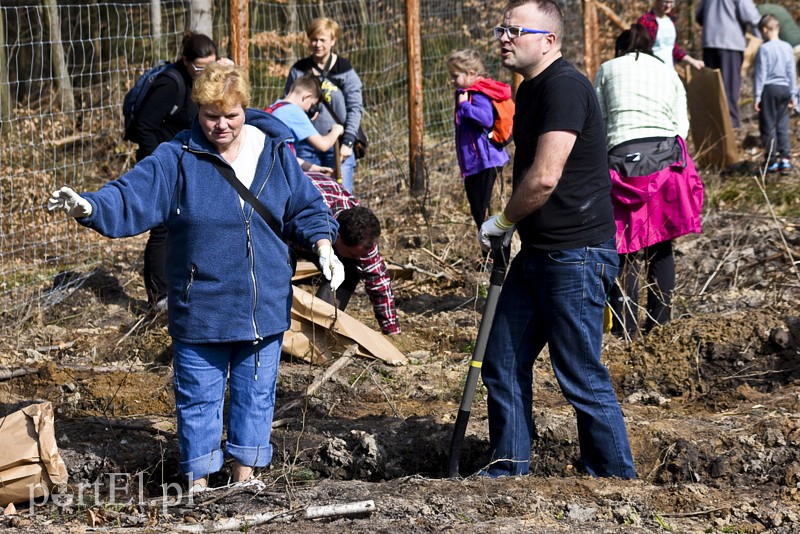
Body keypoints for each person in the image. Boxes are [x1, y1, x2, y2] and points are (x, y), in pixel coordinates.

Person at [47, 63, 345, 491]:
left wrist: (322, 243)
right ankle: (199, 485)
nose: (220, 125)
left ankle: (245, 478)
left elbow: (305, 207)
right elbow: (132, 193)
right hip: (201, 303)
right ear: (196, 111)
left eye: (231, 115)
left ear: (246, 108)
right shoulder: (177, 156)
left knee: (256, 393)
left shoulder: (275, 151)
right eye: (210, 116)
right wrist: (91, 207)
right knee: (198, 396)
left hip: (262, 302)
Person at [477, 0, 636, 479]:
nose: (504, 38)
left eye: (514, 30)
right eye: (502, 29)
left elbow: (545, 176)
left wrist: (502, 222)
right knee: (502, 360)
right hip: (542, 253)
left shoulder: (564, 88)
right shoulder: (529, 90)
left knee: (580, 374)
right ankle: (509, 471)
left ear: (548, 40)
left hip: (577, 256)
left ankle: (615, 482)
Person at [595, 24, 704, 337]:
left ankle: (625, 328)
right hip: (665, 157)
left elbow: (600, 122)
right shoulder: (666, 70)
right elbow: (681, 123)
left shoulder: (606, 69)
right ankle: (659, 326)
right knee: (661, 244)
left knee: (625, 246)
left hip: (620, 158)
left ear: (619, 49)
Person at [132, 32, 221, 310]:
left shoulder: (202, 84)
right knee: (162, 227)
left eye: (211, 65)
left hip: (189, 163)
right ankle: (159, 297)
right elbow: (143, 126)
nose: (206, 72)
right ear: (185, 60)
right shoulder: (170, 84)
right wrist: (163, 159)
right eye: (199, 67)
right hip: (165, 164)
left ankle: (185, 285)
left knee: (186, 223)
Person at [296, 172, 400, 336]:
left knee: (350, 269)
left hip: (325, 231)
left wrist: (391, 331)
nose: (357, 257)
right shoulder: (308, 211)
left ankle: (318, 328)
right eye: (352, 253)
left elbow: (379, 283)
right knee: (282, 268)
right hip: (288, 224)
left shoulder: (363, 235)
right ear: (337, 237)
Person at [285, 17, 364, 193]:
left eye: (323, 40)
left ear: (333, 41)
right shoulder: (299, 70)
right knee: (310, 197)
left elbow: (355, 107)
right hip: (306, 146)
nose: (318, 44)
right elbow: (288, 105)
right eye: (314, 39)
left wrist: (349, 142)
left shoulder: (344, 69)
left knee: (341, 197)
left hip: (337, 147)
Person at [445, 49, 511, 230]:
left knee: (485, 212)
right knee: (479, 210)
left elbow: (486, 118)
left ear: (471, 74)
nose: (452, 80)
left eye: (455, 75)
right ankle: (490, 254)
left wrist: (465, 106)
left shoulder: (478, 94)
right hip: (476, 162)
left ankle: (493, 255)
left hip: (485, 161)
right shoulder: (466, 92)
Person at [695, 0, 761, 128]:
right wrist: (761, 36)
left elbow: (699, 17)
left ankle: (713, 124)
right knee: (729, 86)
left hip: (710, 43)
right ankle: (731, 125)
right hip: (730, 43)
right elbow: (751, 16)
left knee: (713, 87)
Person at [266, 72, 344, 174]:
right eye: (311, 104)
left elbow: (284, 154)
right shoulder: (294, 112)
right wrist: (336, 130)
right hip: (279, 173)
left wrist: (316, 168)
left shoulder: (275, 107)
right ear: (306, 97)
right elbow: (323, 145)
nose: (308, 110)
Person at [754, 14, 797, 173]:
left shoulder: (764, 49)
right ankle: (785, 159)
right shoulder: (787, 47)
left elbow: (761, 73)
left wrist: (757, 96)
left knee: (768, 125)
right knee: (782, 125)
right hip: (785, 89)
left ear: (765, 30)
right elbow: (792, 72)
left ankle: (771, 161)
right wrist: (793, 94)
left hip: (769, 89)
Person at [638, 0, 704, 70]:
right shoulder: (646, 21)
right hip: (651, 68)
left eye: (671, 2)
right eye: (665, 2)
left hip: (669, 69)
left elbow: (673, 48)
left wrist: (692, 61)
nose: (668, 5)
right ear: (657, 1)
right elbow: (639, 47)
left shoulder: (672, 20)